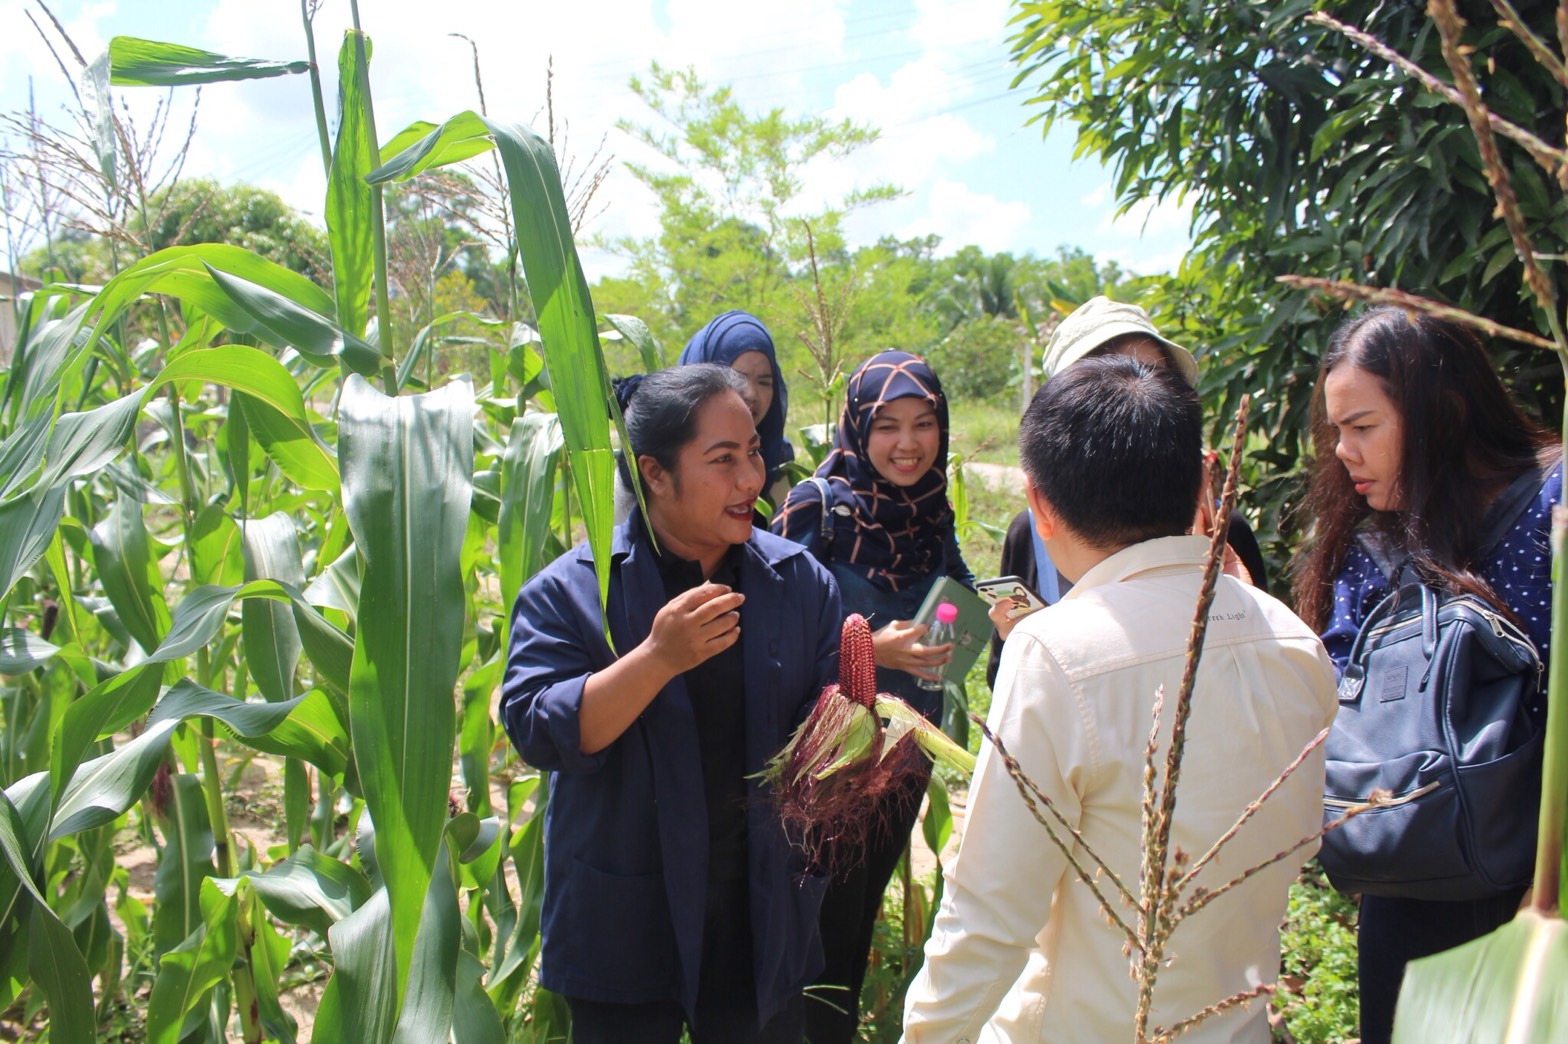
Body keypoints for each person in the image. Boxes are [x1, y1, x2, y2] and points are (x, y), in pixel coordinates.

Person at [903, 356, 1338, 1041]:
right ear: (1201, 486)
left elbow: (987, 916)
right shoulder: (1292, 640)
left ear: (1040, 505)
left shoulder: (1056, 653)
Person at [500, 364, 841, 1043]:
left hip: (756, 911)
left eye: (753, 452)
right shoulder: (572, 591)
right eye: (723, 460)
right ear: (655, 474)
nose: (750, 479)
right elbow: (539, 730)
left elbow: (826, 727)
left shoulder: (799, 583)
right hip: (626, 917)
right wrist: (657, 658)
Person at [1292, 307, 1561, 1044]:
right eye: (1336, 430)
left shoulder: (1553, 507)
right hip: (1416, 881)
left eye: (1364, 426)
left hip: (1542, 884)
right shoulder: (1374, 539)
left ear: (1443, 411)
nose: (1344, 452)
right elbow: (1334, 694)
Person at [769, 349, 975, 1042]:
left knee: (855, 919)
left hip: (906, 751)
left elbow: (955, 593)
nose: (908, 444)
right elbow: (767, 626)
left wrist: (983, 618)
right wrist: (866, 649)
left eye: (923, 424)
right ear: (858, 427)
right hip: (829, 758)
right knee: (815, 924)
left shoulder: (932, 511)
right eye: (887, 425)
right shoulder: (817, 508)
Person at [985, 295, 1268, 688]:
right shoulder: (1029, 533)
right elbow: (1001, 679)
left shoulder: (1223, 534)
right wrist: (1026, 645)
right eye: (1098, 389)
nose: (1130, 407)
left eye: (1148, 379)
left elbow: (1263, 680)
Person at [678, 309, 796, 509]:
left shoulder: (779, 459)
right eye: (737, 379)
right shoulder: (666, 456)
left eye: (764, 382)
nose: (752, 394)